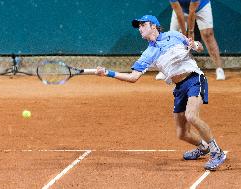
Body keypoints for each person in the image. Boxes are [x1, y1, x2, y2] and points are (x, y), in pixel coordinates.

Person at [95, 15, 226, 170]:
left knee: (191, 116)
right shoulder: (148, 53)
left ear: (154, 25)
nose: (140, 28)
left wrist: (195, 45)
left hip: (194, 78)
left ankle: (217, 152)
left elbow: (198, 46)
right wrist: (108, 73)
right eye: (139, 26)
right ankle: (203, 147)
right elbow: (133, 77)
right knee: (182, 134)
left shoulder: (174, 35)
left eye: (142, 25)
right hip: (179, 88)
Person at [155, 0, 225, 81]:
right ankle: (166, 70)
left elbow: (192, 11)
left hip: (201, 7)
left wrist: (191, 32)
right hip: (181, 9)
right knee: (173, 37)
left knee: (208, 34)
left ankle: (219, 68)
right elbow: (179, 13)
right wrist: (184, 35)